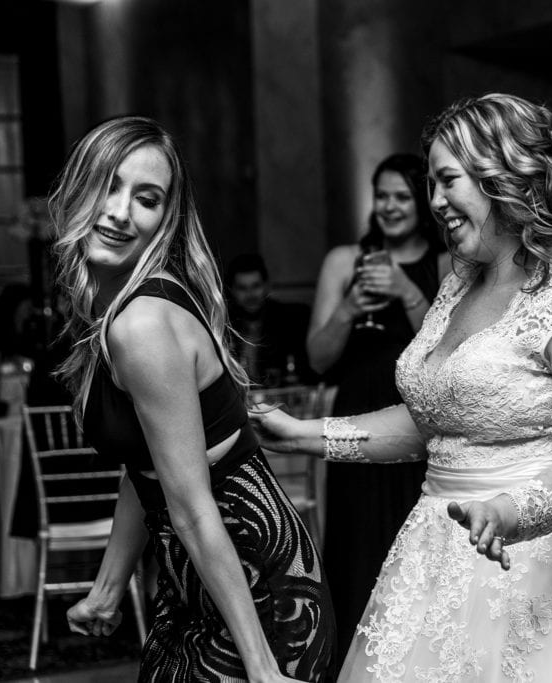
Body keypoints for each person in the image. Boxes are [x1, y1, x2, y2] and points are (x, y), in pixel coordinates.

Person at [253, 93, 552, 682]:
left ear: (503, 178)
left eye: (449, 181)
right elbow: (434, 424)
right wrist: (305, 435)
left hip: (541, 562)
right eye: (433, 185)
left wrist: (509, 513)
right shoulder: (457, 287)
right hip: (434, 552)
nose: (435, 202)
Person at [50, 116, 335, 682]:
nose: (119, 211)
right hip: (197, 587)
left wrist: (261, 670)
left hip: (256, 590)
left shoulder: (142, 325)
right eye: (109, 184)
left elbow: (194, 507)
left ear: (166, 221)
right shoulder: (119, 312)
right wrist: (108, 590)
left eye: (146, 198)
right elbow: (150, 466)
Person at [305, 152, 447, 651]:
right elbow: (319, 359)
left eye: (401, 197)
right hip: (356, 409)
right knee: (356, 536)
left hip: (418, 416)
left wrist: (406, 290)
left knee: (413, 533)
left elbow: (447, 353)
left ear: (424, 201)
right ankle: (353, 657)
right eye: (382, 196)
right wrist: (347, 308)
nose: (389, 207)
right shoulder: (344, 261)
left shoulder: (447, 262)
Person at [226, 252, 313, 387]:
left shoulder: (290, 319)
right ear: (232, 291)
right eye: (242, 288)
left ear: (266, 286)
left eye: (256, 286)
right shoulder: (224, 324)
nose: (250, 295)